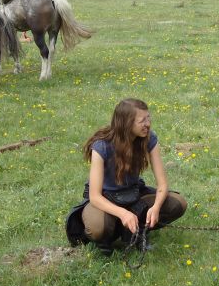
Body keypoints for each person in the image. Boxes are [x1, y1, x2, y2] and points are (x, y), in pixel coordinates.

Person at [65, 98, 187, 255]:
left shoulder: (149, 139)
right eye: (142, 120)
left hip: (134, 196)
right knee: (97, 227)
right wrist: (123, 213)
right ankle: (110, 235)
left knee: (178, 204)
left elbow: (162, 185)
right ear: (126, 123)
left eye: (148, 118)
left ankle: (136, 231)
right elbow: (95, 197)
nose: (148, 124)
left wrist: (155, 208)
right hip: (105, 199)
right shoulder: (101, 146)